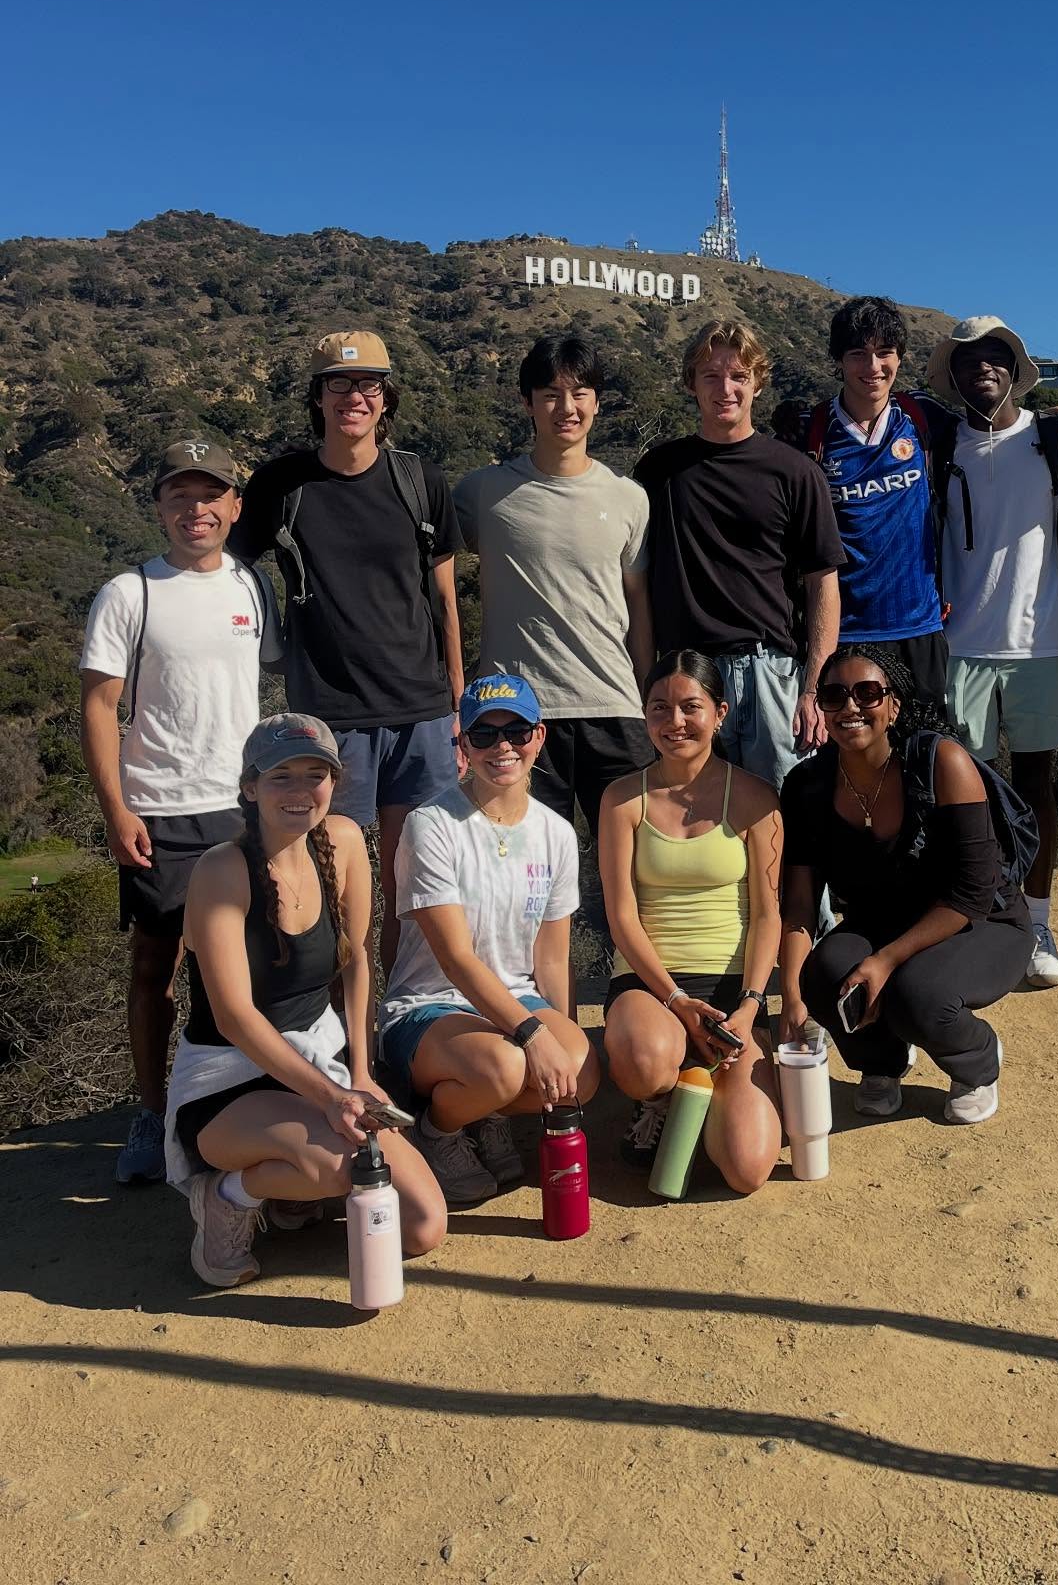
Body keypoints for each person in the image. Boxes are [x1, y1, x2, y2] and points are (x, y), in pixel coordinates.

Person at [164, 714, 446, 1288]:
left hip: (316, 1068)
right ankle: (227, 1195)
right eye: (280, 776)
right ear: (250, 787)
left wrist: (362, 1074)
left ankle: (288, 1177)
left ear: (335, 782)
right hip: (228, 1084)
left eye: (314, 774)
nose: (300, 791)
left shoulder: (342, 842)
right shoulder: (221, 871)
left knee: (422, 1226)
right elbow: (234, 1018)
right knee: (344, 1166)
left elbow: (360, 963)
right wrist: (334, 1096)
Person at [230, 331, 466, 975]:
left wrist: (457, 708)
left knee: (415, 891)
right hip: (330, 722)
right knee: (328, 890)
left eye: (367, 386)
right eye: (338, 384)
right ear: (318, 396)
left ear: (386, 398)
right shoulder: (282, 485)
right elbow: (226, 571)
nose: (353, 398)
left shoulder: (420, 481)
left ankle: (398, 1032)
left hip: (421, 716)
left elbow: (446, 603)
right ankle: (335, 1038)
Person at [80, 437, 279, 1185]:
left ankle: (232, 1099)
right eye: (179, 496)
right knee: (155, 964)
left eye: (210, 495)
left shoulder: (252, 589)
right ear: (159, 506)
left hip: (243, 808)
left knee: (244, 967)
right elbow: (99, 706)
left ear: (234, 505)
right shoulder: (130, 592)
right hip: (160, 812)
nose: (195, 510)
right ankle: (150, 1111)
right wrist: (115, 807)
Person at [924, 315, 1058, 990]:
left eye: (994, 360)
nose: (982, 371)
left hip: (1039, 641)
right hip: (961, 646)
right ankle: (977, 921)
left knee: (1035, 788)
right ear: (955, 377)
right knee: (968, 799)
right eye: (969, 363)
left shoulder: (1055, 441)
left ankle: (1037, 924)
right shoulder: (940, 447)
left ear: (1014, 370)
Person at [778, 644, 1031, 1125]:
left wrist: (885, 960)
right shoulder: (808, 786)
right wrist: (793, 996)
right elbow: (799, 906)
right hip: (883, 924)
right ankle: (881, 1062)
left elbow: (972, 892)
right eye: (834, 696)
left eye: (868, 693)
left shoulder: (943, 763)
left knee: (919, 993)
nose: (850, 706)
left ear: (894, 705)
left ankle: (977, 1061)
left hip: (981, 923)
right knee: (822, 975)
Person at [380, 673, 599, 1205]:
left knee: (582, 1072)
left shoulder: (556, 833)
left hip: (513, 999)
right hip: (429, 1004)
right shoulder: (431, 824)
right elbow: (454, 958)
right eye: (484, 735)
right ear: (464, 746)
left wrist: (559, 1039)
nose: (503, 746)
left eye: (517, 732)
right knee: (505, 1067)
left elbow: (550, 958)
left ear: (538, 738)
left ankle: (488, 1113)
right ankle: (440, 1130)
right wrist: (532, 1036)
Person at [452, 331, 654, 843]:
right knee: (523, 873)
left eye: (579, 392)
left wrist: (648, 692)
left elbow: (639, 605)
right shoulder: (483, 492)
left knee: (633, 874)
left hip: (614, 708)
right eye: (550, 394)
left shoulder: (629, 499)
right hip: (516, 714)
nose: (566, 407)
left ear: (597, 402)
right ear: (528, 403)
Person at [633, 320, 845, 794]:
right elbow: (636, 584)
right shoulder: (659, 472)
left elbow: (822, 586)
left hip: (770, 673)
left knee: (784, 822)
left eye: (738, 376)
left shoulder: (795, 472)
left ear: (757, 383)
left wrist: (812, 689)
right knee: (693, 820)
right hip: (686, 675)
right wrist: (648, 681)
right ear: (692, 383)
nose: (725, 389)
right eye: (710, 375)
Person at [599, 650, 783, 1191]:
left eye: (690, 707)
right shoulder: (621, 799)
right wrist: (677, 1002)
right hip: (652, 987)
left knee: (747, 1170)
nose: (674, 722)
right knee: (645, 1059)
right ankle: (659, 1099)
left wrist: (749, 1008)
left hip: (732, 996)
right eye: (659, 708)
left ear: (720, 713)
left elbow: (769, 916)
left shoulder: (755, 798)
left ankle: (698, 1087)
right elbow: (621, 915)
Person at [800, 297, 952, 709]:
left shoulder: (921, 417)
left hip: (918, 626)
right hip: (844, 634)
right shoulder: (810, 434)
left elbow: (989, 434)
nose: (872, 367)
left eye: (884, 353)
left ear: (899, 358)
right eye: (858, 355)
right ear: (838, 361)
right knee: (852, 764)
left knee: (922, 757)